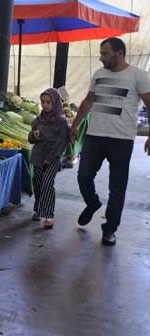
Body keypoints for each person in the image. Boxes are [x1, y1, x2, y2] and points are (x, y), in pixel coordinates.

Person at [70, 37, 150, 245]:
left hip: (121, 140)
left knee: (117, 187)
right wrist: (75, 125)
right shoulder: (99, 74)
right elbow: (88, 101)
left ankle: (110, 229)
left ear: (119, 53)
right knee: (83, 176)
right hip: (95, 136)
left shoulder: (138, 76)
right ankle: (93, 203)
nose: (100, 58)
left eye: (105, 53)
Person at [28, 88, 70, 229]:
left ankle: (49, 215)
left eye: (48, 102)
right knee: (38, 183)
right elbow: (30, 139)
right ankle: (38, 210)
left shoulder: (61, 122)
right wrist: (33, 135)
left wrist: (51, 157)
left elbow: (62, 142)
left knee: (47, 184)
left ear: (56, 102)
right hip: (37, 157)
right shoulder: (38, 120)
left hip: (52, 159)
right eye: (42, 102)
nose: (45, 105)